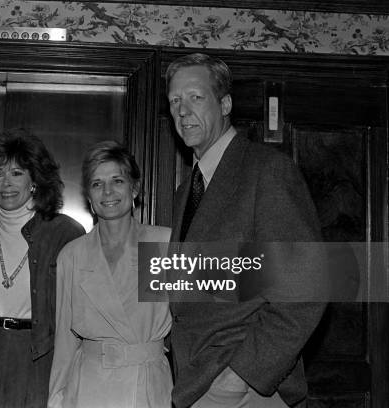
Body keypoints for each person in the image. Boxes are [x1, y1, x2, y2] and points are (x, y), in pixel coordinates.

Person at [165, 53, 327, 408]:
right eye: (175, 100)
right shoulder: (185, 192)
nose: (182, 110)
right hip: (195, 382)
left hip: (245, 389)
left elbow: (307, 289)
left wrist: (241, 375)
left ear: (225, 104)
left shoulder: (266, 170)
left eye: (195, 97)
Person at [0, 128, 84, 408]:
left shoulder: (64, 233)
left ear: (34, 180)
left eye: (17, 173)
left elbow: (79, 312)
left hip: (35, 354)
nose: (6, 183)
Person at [49, 141, 173, 408]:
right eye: (97, 184)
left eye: (117, 180)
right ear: (89, 198)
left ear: (135, 188)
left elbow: (240, 283)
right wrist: (57, 398)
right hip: (89, 389)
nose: (107, 191)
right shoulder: (72, 255)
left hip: (147, 387)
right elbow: (65, 341)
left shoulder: (162, 244)